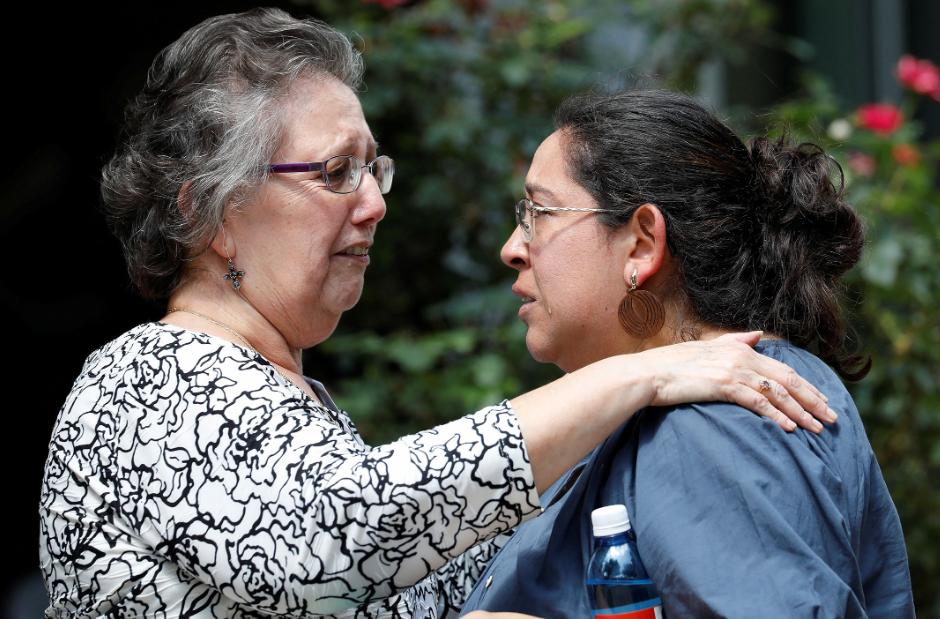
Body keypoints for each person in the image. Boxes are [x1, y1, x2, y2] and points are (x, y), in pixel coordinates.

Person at [37, 11, 834, 619]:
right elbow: (339, 541)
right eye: (336, 172)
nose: (376, 202)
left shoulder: (285, 407)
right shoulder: (145, 381)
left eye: (373, 167)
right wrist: (646, 367)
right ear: (215, 213)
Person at [451, 90, 914, 617]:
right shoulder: (691, 406)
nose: (513, 247)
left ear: (643, 244)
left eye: (539, 212)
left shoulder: (716, 420)